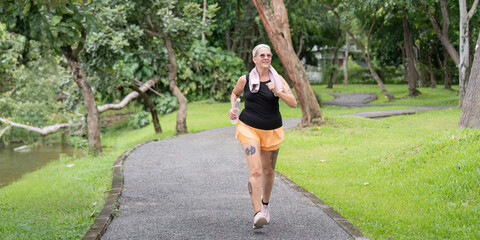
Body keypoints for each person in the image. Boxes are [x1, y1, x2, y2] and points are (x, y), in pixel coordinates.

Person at [228, 44, 297, 229]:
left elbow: (293, 103)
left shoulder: (278, 80)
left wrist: (278, 92)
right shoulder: (246, 79)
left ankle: (265, 205)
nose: (266, 58)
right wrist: (233, 108)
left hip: (272, 130)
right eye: (262, 55)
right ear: (255, 59)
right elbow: (235, 93)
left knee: (269, 171)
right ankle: (257, 213)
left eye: (269, 55)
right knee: (256, 170)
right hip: (248, 128)